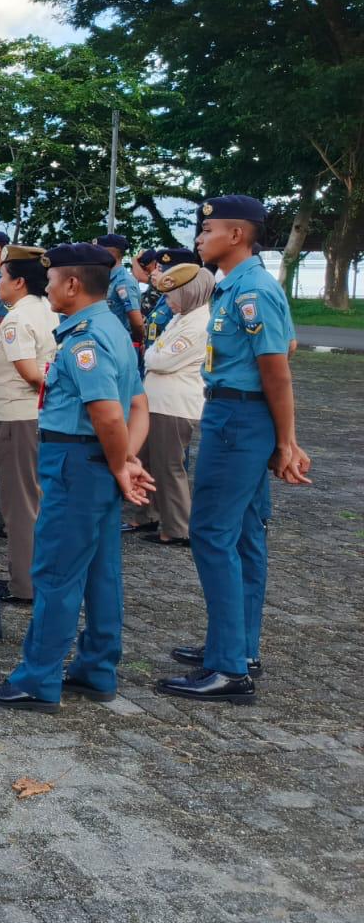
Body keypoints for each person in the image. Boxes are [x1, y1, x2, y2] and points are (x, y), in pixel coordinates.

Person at [0, 243, 152, 712]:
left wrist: (120, 462)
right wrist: (127, 459)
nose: (45, 286)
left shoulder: (86, 339)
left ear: (72, 284)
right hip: (97, 462)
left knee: (55, 574)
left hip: (77, 464)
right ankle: (96, 669)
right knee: (100, 572)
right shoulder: (112, 327)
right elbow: (137, 405)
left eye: (51, 279)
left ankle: (38, 679)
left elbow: (109, 414)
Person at [158, 195, 311, 703]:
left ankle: (228, 668)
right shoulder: (238, 287)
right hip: (238, 415)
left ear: (237, 235)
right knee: (244, 534)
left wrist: (285, 440)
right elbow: (283, 344)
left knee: (212, 534)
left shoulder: (252, 290)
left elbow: (277, 369)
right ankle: (238, 648)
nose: (199, 239)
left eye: (207, 231)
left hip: (239, 419)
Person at [0, 245, 57, 604]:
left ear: (20, 282)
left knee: (19, 503)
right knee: (34, 498)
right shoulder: (46, 310)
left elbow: (31, 373)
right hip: (33, 415)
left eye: (3, 276)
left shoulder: (17, 318)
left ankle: (23, 584)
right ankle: (29, 576)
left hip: (17, 417)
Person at [125, 261, 212, 546]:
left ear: (188, 294)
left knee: (169, 466)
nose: (168, 301)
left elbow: (158, 359)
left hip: (173, 406)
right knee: (147, 461)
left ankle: (177, 527)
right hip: (158, 402)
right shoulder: (182, 317)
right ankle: (146, 513)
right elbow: (155, 353)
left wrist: (153, 353)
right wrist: (154, 353)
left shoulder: (198, 323)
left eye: (172, 295)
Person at [96, 233, 146, 344]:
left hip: (119, 343)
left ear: (110, 254)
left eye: (98, 252)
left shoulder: (123, 282)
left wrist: (135, 342)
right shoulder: (107, 278)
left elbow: (137, 323)